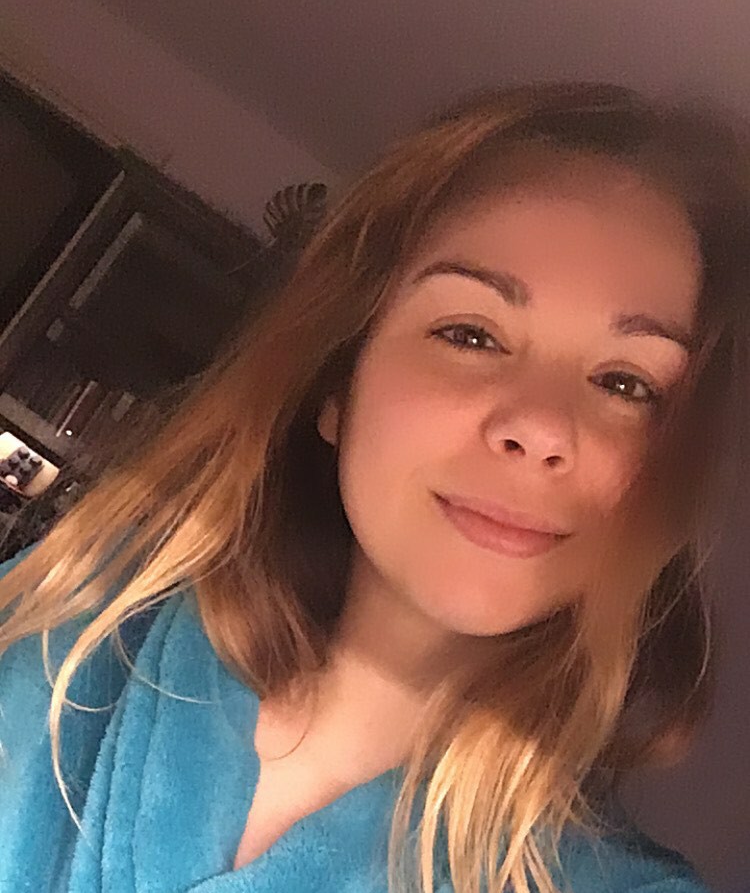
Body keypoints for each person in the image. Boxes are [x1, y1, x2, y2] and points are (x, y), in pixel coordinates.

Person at [1, 80, 746, 893]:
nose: (541, 428)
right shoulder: (55, 637)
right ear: (339, 382)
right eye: (472, 334)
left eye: (626, 384)